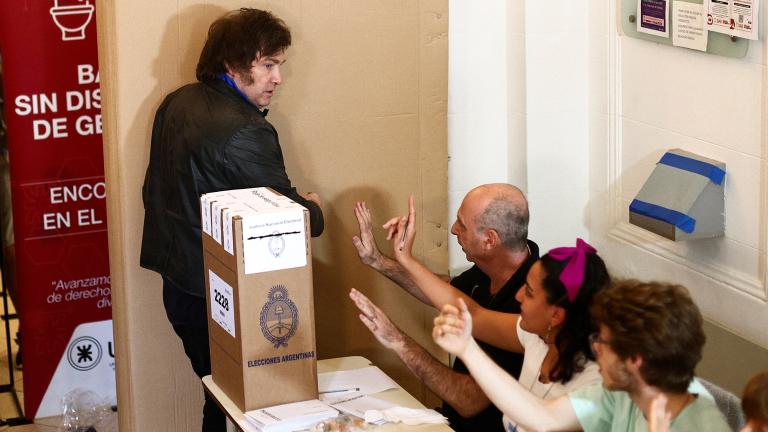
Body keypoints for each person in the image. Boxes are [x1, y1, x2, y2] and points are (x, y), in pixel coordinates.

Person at [140, 9, 324, 432]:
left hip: (178, 290)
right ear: (233, 64)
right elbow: (293, 222)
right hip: (221, 301)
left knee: (221, 402)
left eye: (279, 65)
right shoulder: (245, 131)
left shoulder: (176, 101)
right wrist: (314, 209)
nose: (278, 78)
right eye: (268, 65)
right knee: (243, 408)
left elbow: (154, 189)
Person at [352, 238, 610, 431]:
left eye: (529, 292)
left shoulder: (601, 382)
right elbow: (473, 315)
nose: (518, 296)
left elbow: (543, 420)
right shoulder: (536, 336)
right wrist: (404, 259)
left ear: (556, 316)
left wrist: (466, 348)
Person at [351, 184, 538, 431]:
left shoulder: (531, 307)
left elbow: (469, 401)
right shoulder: (494, 266)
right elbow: (447, 293)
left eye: (462, 224)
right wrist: (379, 261)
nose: (453, 229)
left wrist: (398, 341)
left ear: (489, 239)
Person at [433, 279, 731, 431]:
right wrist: (467, 350)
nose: (595, 348)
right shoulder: (622, 392)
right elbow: (543, 418)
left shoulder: (700, 426)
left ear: (635, 359)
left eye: (602, 340)